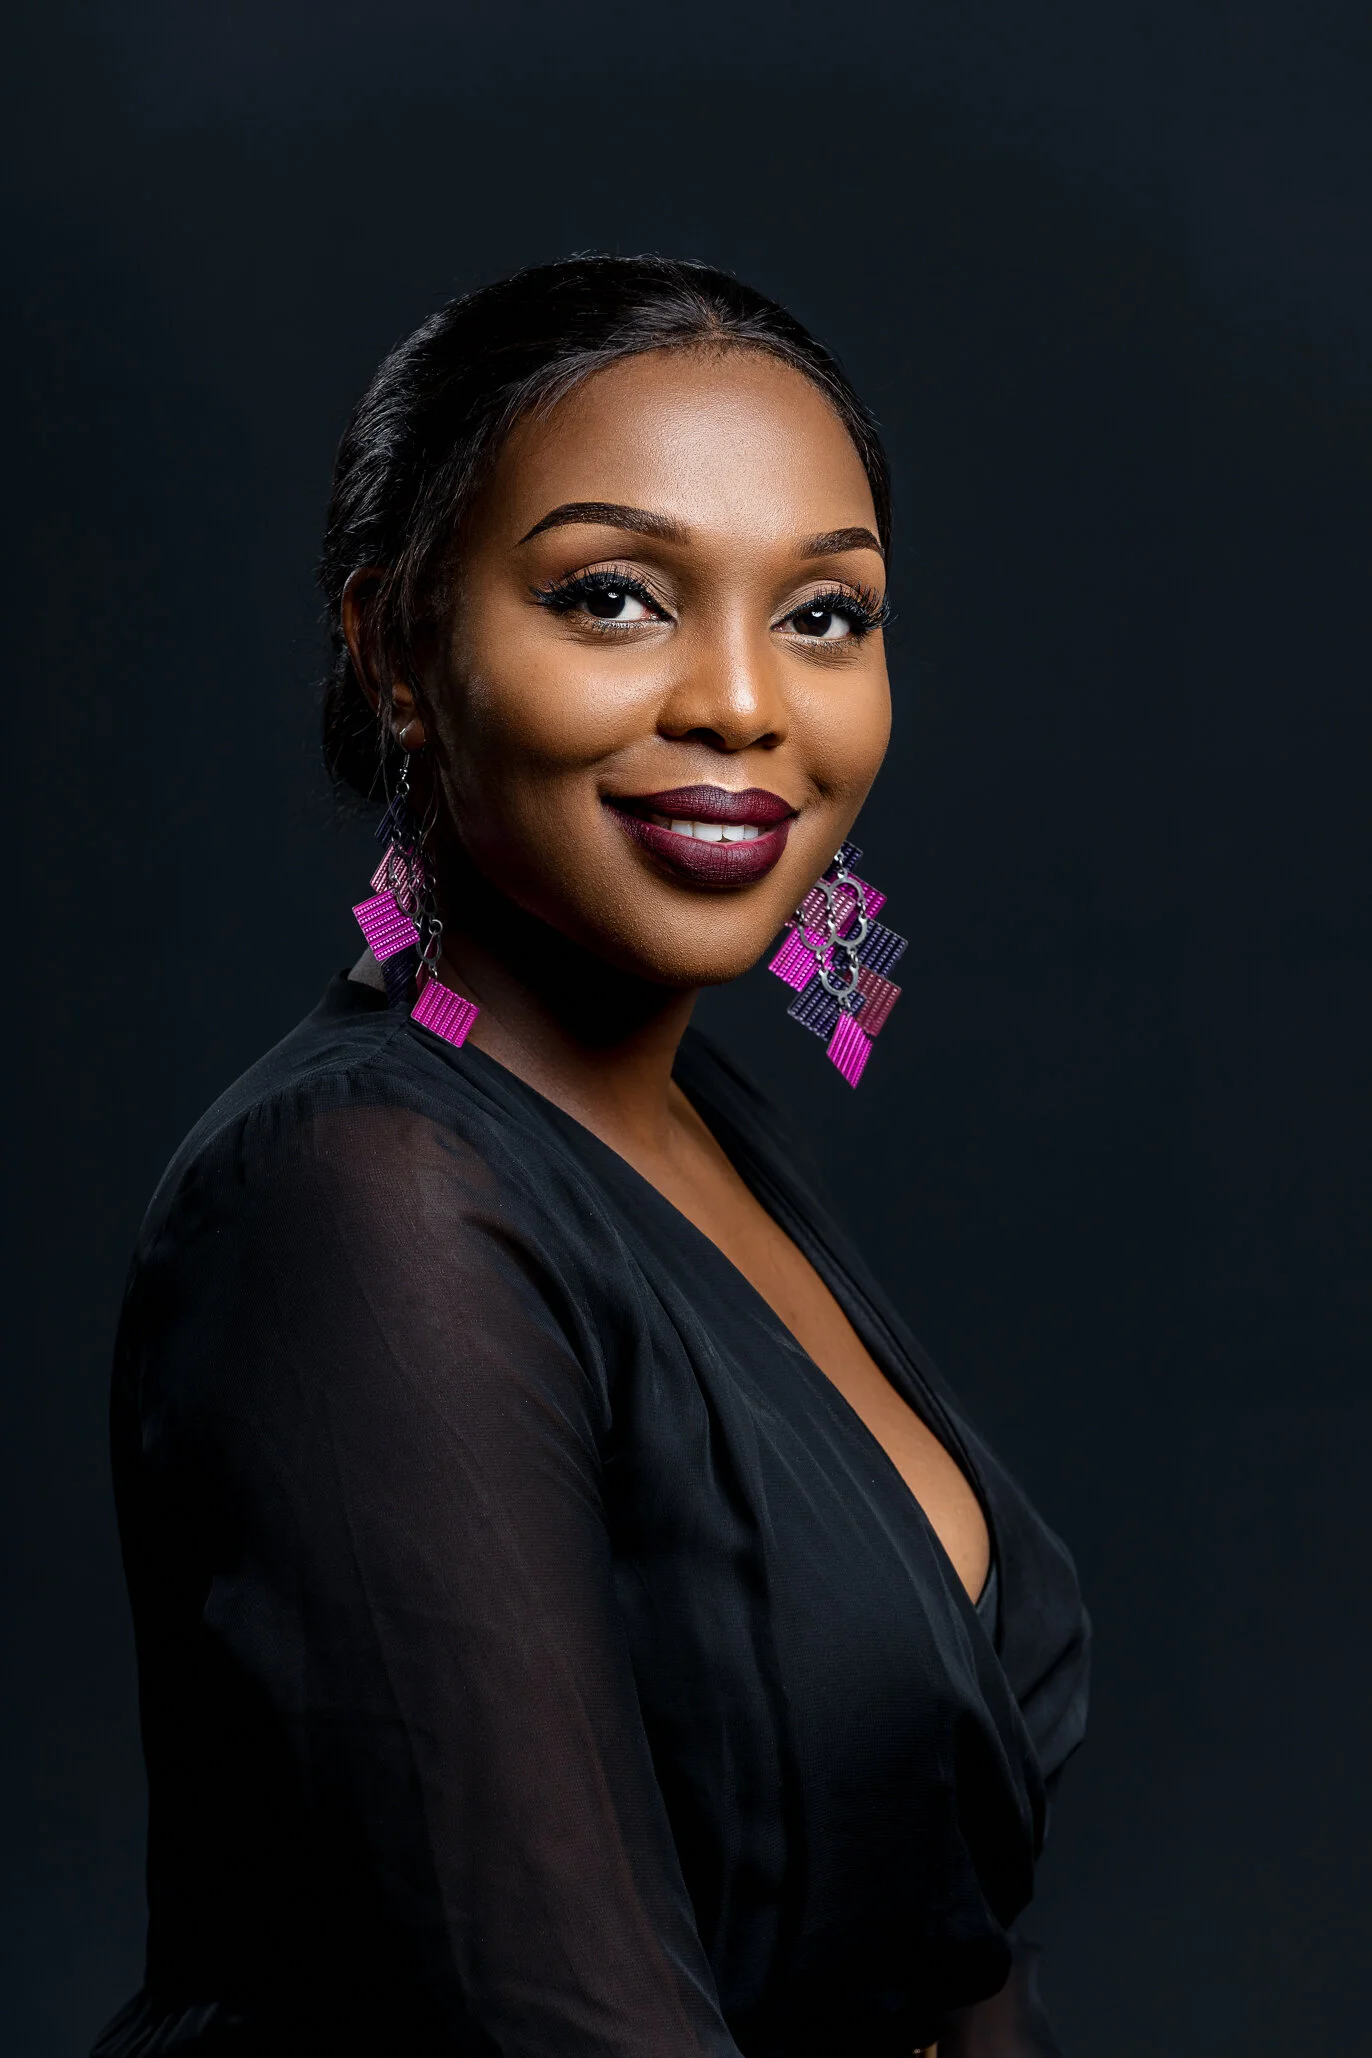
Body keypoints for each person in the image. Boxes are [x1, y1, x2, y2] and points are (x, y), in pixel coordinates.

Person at [95, 256, 1089, 2058]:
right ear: (396, 648)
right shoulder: (364, 1202)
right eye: (616, 596)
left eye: (824, 616)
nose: (740, 703)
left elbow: (937, 1923)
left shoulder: (702, 1135)